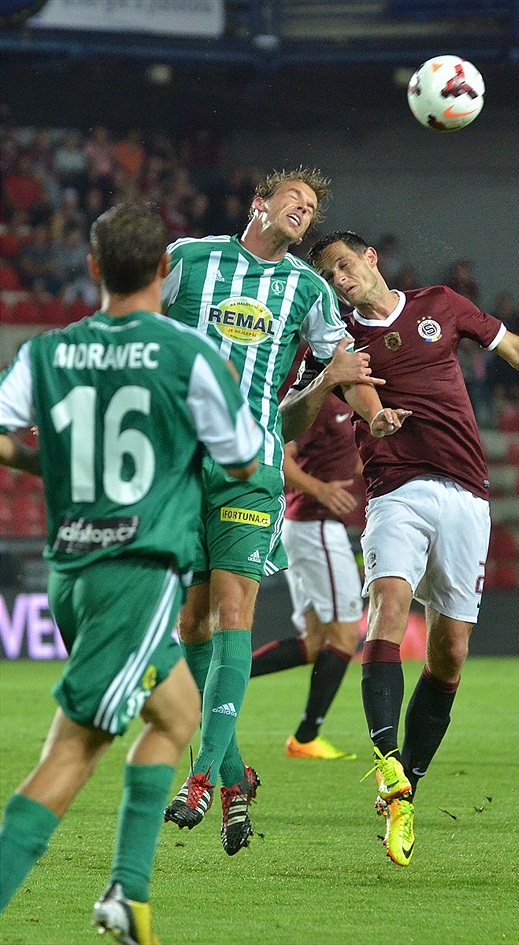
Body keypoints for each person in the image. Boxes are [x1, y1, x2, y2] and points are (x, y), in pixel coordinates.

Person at [295, 230, 519, 868]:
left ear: (371, 259)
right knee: (388, 605)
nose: (342, 280)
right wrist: (362, 408)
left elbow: (518, 352)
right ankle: (386, 762)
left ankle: (409, 792)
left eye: (346, 265)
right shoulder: (337, 339)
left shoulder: (440, 304)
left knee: (451, 652)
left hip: (466, 494)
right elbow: (346, 396)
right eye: (331, 275)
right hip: (395, 491)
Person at [0, 203, 262, 942]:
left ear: (92, 268)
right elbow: (242, 458)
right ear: (162, 272)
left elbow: (1, 433)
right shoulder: (187, 354)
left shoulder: (49, 352)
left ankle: (129, 891)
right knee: (73, 752)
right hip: (137, 570)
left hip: (73, 573)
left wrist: (51, 461)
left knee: (176, 714)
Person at [160, 168, 404, 855]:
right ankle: (238, 776)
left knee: (233, 614)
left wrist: (375, 415)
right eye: (293, 198)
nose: (303, 209)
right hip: (180, 464)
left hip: (251, 466)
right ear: (259, 203)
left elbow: (344, 364)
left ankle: (204, 773)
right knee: (192, 627)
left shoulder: (307, 290)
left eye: (313, 207)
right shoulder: (189, 261)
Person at [250, 389, 364, 760]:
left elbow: (347, 460)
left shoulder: (349, 400)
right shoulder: (317, 403)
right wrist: (321, 490)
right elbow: (278, 454)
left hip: (310, 527)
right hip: (315, 525)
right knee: (346, 635)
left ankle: (210, 679)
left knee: (316, 642)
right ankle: (306, 736)